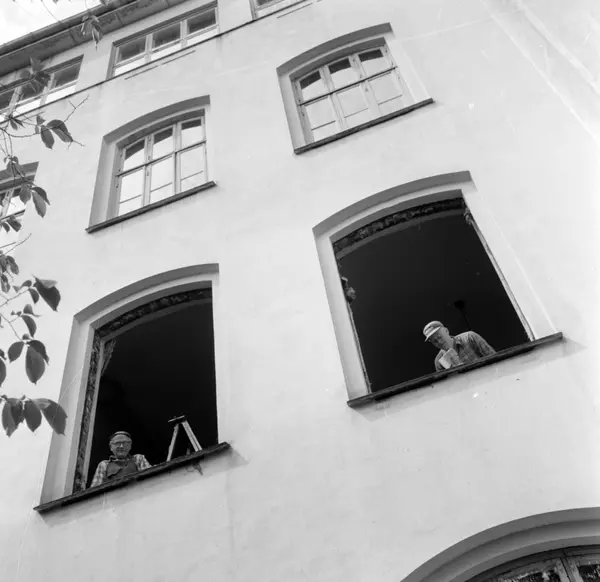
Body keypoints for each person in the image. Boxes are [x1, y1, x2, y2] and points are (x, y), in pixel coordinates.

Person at [423, 320, 495, 371]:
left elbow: (494, 358)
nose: (439, 342)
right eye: (434, 341)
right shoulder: (439, 361)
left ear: (446, 331)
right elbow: (448, 385)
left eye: (439, 337)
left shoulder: (470, 337)